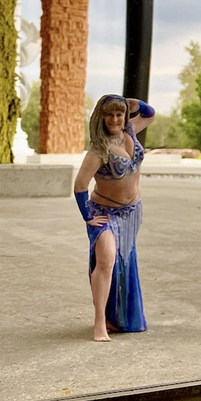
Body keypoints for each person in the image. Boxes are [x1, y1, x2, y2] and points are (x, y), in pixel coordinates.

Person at [73, 95, 155, 341]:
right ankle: (100, 323)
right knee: (106, 260)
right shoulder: (99, 148)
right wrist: (88, 216)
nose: (115, 119)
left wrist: (134, 104)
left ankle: (118, 318)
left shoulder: (130, 130)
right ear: (101, 117)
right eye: (109, 114)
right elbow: (79, 186)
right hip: (104, 213)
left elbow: (150, 114)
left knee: (124, 264)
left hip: (132, 213)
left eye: (119, 114)